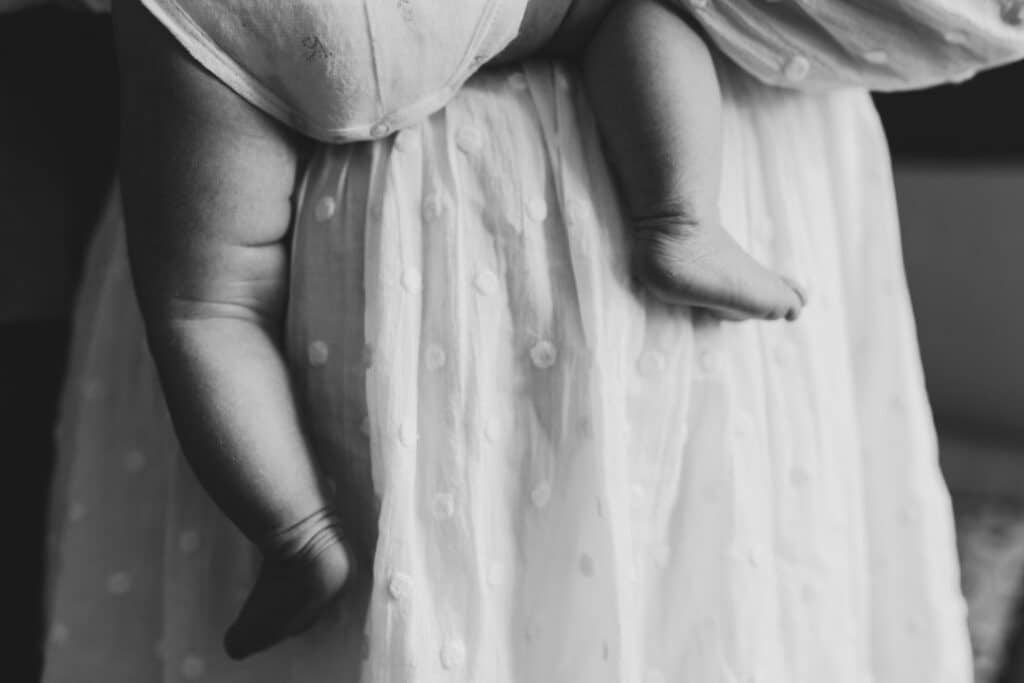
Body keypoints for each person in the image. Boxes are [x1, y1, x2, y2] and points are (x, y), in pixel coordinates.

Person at [41, 0, 1024, 681]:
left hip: (235, 34)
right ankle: (675, 217)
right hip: (487, 18)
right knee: (633, 11)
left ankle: (295, 531)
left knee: (211, 309)